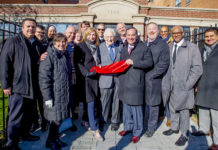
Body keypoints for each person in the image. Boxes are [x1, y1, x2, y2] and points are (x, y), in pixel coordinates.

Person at [0, 18, 42, 150]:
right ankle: (11, 143)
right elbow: (4, 62)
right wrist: (5, 84)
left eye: (33, 27)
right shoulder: (13, 41)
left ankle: (25, 134)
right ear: (22, 28)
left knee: (29, 114)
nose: (31, 29)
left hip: (32, 86)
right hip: (18, 86)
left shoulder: (35, 44)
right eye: (28, 26)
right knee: (15, 116)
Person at [162, 26, 203, 146]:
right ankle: (174, 127)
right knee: (172, 107)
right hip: (171, 84)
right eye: (173, 33)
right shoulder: (169, 47)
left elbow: (197, 69)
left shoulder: (192, 48)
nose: (175, 35)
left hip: (184, 85)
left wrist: (189, 83)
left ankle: (184, 134)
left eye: (178, 33)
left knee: (184, 111)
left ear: (183, 33)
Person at [118, 27, 153, 143]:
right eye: (128, 35)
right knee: (126, 107)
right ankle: (127, 127)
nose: (130, 37)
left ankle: (137, 132)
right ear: (126, 36)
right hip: (125, 83)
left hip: (136, 83)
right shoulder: (124, 48)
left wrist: (135, 63)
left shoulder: (144, 48)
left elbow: (149, 63)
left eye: (133, 35)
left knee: (136, 110)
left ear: (136, 36)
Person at [39, 33, 72, 150]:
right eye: (59, 42)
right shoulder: (49, 55)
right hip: (54, 94)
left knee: (60, 118)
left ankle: (55, 138)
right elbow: (44, 78)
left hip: (63, 93)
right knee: (56, 119)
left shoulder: (64, 55)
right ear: (54, 42)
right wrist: (47, 97)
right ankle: (50, 141)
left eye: (64, 42)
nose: (62, 44)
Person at [191, 27, 218, 150]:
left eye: (211, 36)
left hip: (215, 86)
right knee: (203, 110)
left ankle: (216, 142)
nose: (209, 38)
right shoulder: (201, 49)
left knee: (215, 115)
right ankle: (204, 129)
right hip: (203, 84)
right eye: (207, 36)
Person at [75, 27, 103, 141]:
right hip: (87, 79)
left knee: (93, 102)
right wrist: (86, 73)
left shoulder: (97, 47)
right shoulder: (80, 46)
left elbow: (98, 61)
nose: (92, 37)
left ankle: (85, 121)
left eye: (94, 35)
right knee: (91, 103)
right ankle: (94, 128)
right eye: (90, 34)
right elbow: (77, 62)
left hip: (96, 78)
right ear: (86, 35)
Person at [144, 22, 170, 137]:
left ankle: (151, 127)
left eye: (154, 29)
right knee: (145, 103)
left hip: (154, 79)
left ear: (158, 31)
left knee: (153, 105)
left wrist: (151, 75)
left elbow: (164, 63)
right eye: (149, 29)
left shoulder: (162, 45)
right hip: (142, 80)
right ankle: (145, 123)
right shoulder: (144, 44)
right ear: (146, 31)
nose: (151, 31)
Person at [99, 28, 121, 131]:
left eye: (111, 36)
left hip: (117, 79)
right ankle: (103, 121)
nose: (109, 38)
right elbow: (97, 62)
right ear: (104, 38)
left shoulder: (119, 47)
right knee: (104, 102)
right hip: (105, 79)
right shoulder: (100, 47)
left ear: (115, 37)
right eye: (107, 37)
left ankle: (115, 121)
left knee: (116, 101)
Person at [31, 24, 48, 132]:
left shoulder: (44, 44)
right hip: (31, 78)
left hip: (41, 78)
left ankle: (44, 122)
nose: (41, 35)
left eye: (42, 33)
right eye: (39, 33)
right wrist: (39, 58)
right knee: (32, 103)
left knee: (42, 102)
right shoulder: (30, 44)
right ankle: (34, 122)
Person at [64, 25, 78, 132]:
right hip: (62, 78)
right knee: (63, 102)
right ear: (65, 33)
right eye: (70, 33)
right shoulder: (59, 44)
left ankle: (70, 121)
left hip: (73, 77)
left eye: (74, 33)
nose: (72, 35)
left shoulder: (76, 46)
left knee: (72, 101)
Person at [159, 25, 173, 127]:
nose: (164, 33)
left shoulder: (172, 42)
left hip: (168, 72)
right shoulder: (159, 42)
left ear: (168, 32)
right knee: (160, 95)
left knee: (168, 95)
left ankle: (169, 117)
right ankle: (161, 114)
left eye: (165, 31)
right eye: (162, 31)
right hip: (159, 72)